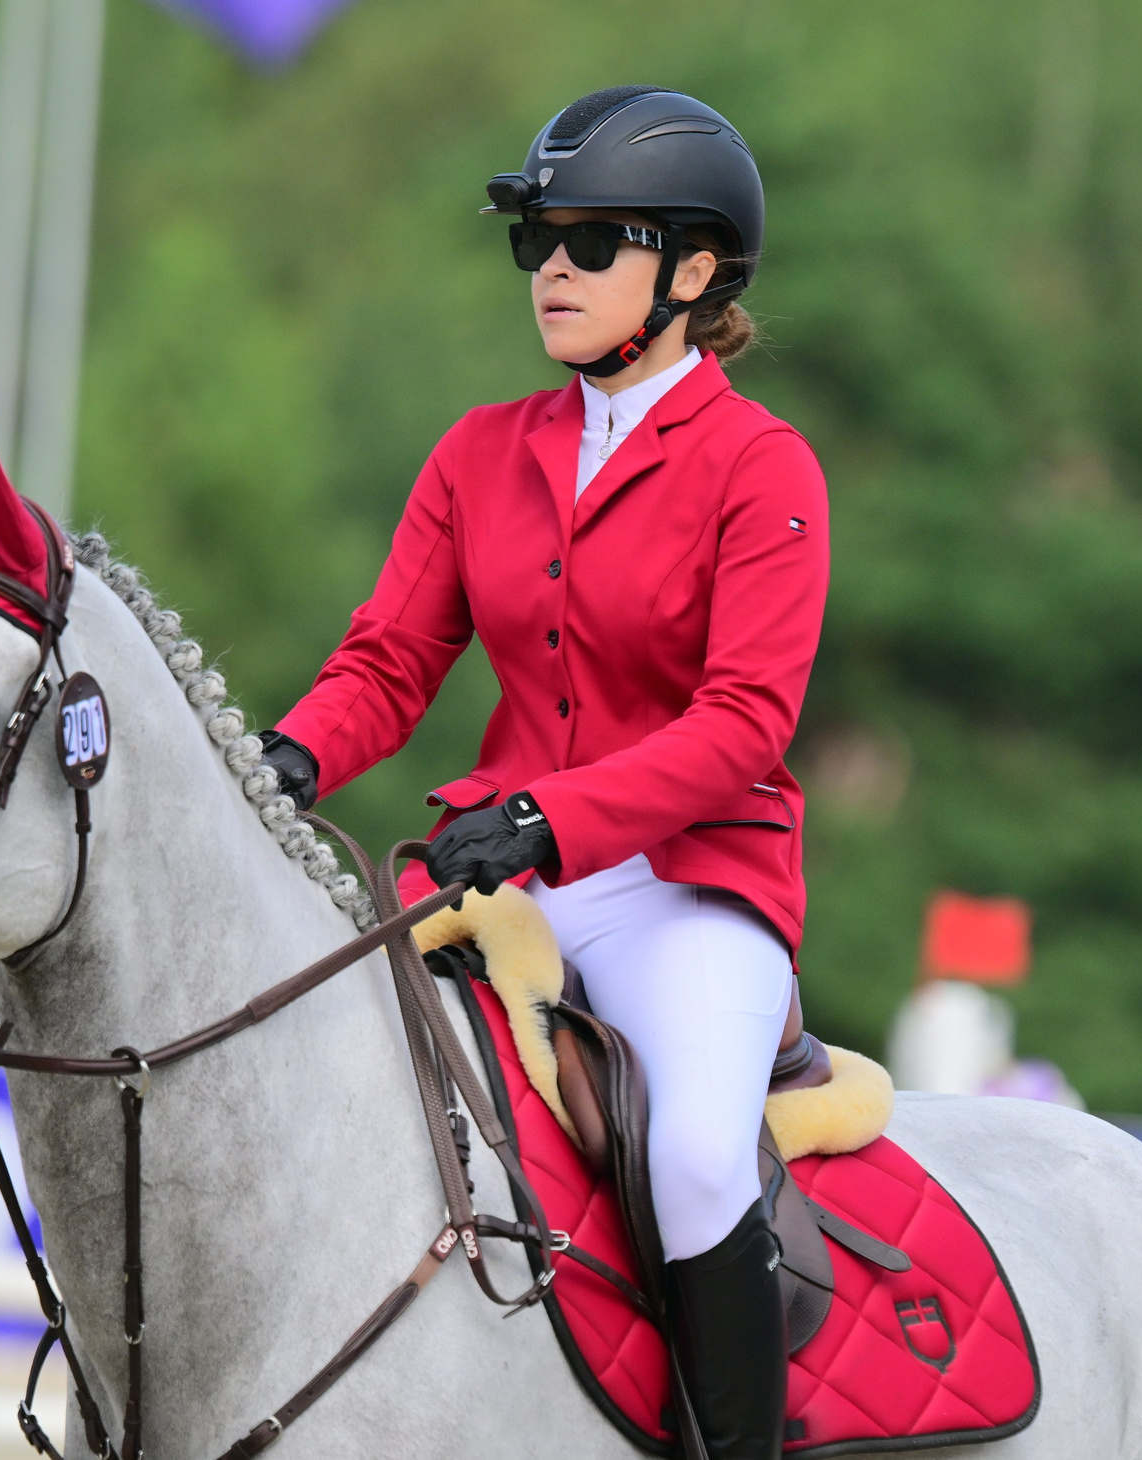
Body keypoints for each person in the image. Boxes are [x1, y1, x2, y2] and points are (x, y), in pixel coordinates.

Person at [258, 86, 826, 1460]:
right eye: (537, 243)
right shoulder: (478, 453)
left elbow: (745, 722)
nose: (553, 271)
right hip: (492, 879)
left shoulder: (763, 468)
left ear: (692, 273)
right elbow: (389, 664)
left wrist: (547, 817)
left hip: (687, 894)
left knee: (694, 1157)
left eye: (590, 242)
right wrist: (277, 758)